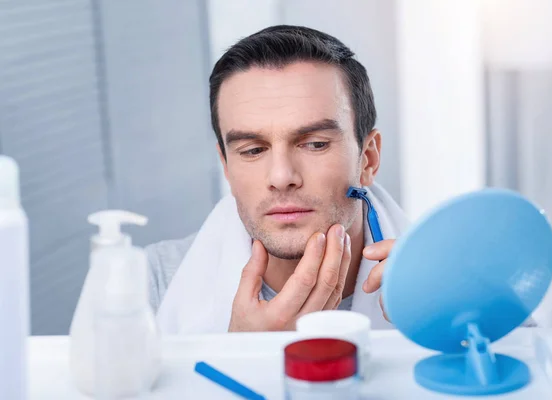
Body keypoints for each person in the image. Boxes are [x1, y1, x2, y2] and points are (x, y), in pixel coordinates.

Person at [146, 25, 411, 334]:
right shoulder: (153, 284)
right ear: (227, 167)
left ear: (368, 158)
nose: (282, 177)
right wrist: (243, 353)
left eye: (315, 144)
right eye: (253, 150)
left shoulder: (448, 285)